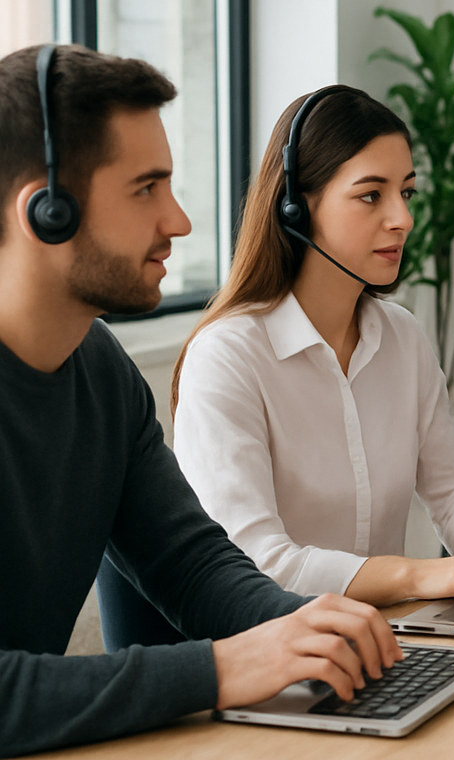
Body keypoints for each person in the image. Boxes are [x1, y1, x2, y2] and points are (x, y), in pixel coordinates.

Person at [0, 45, 400, 756]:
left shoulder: (99, 369)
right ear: (48, 212)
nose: (179, 221)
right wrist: (219, 668)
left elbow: (190, 566)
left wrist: (311, 633)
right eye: (146, 189)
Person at [168, 85, 454, 609]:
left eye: (406, 192)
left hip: (394, 641)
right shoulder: (228, 356)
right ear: (297, 207)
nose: (402, 219)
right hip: (282, 651)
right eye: (370, 194)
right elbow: (253, 560)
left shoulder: (401, 337)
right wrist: (424, 576)